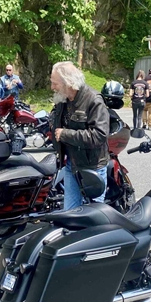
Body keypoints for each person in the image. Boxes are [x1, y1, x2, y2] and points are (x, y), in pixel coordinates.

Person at [51, 61, 109, 210]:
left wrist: (65, 134)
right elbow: (57, 120)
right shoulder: (63, 99)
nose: (52, 87)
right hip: (72, 164)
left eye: (55, 83)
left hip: (92, 166)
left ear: (68, 83)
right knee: (70, 212)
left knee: (94, 214)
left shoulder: (94, 100)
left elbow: (98, 136)